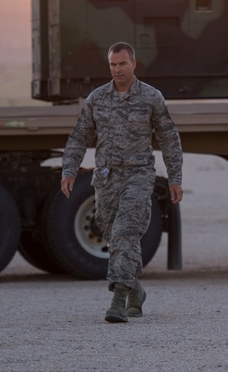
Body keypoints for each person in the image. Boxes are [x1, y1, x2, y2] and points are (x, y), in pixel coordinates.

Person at [60, 42, 184, 323]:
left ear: (134, 64)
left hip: (138, 176)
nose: (117, 69)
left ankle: (118, 299)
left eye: (122, 64)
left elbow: (169, 139)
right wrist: (68, 170)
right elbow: (79, 137)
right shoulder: (97, 98)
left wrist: (175, 177)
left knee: (126, 232)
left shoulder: (151, 98)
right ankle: (136, 290)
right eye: (113, 64)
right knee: (109, 230)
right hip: (106, 177)